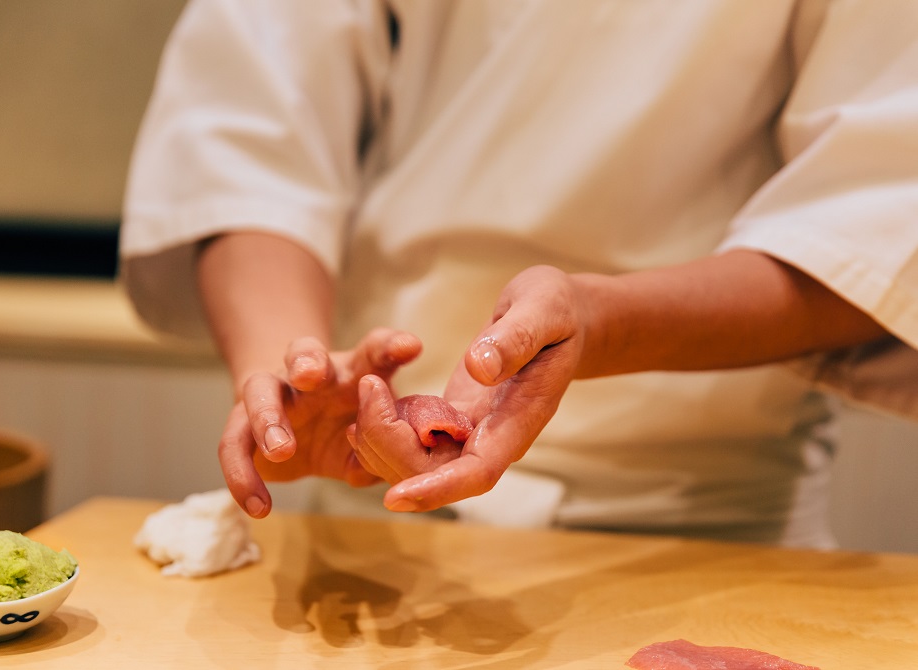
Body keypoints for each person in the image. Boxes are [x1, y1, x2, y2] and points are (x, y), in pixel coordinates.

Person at [120, 0, 918, 548]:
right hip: (363, 506)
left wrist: (598, 322)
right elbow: (249, 133)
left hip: (703, 521)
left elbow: (873, 217)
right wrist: (288, 375)